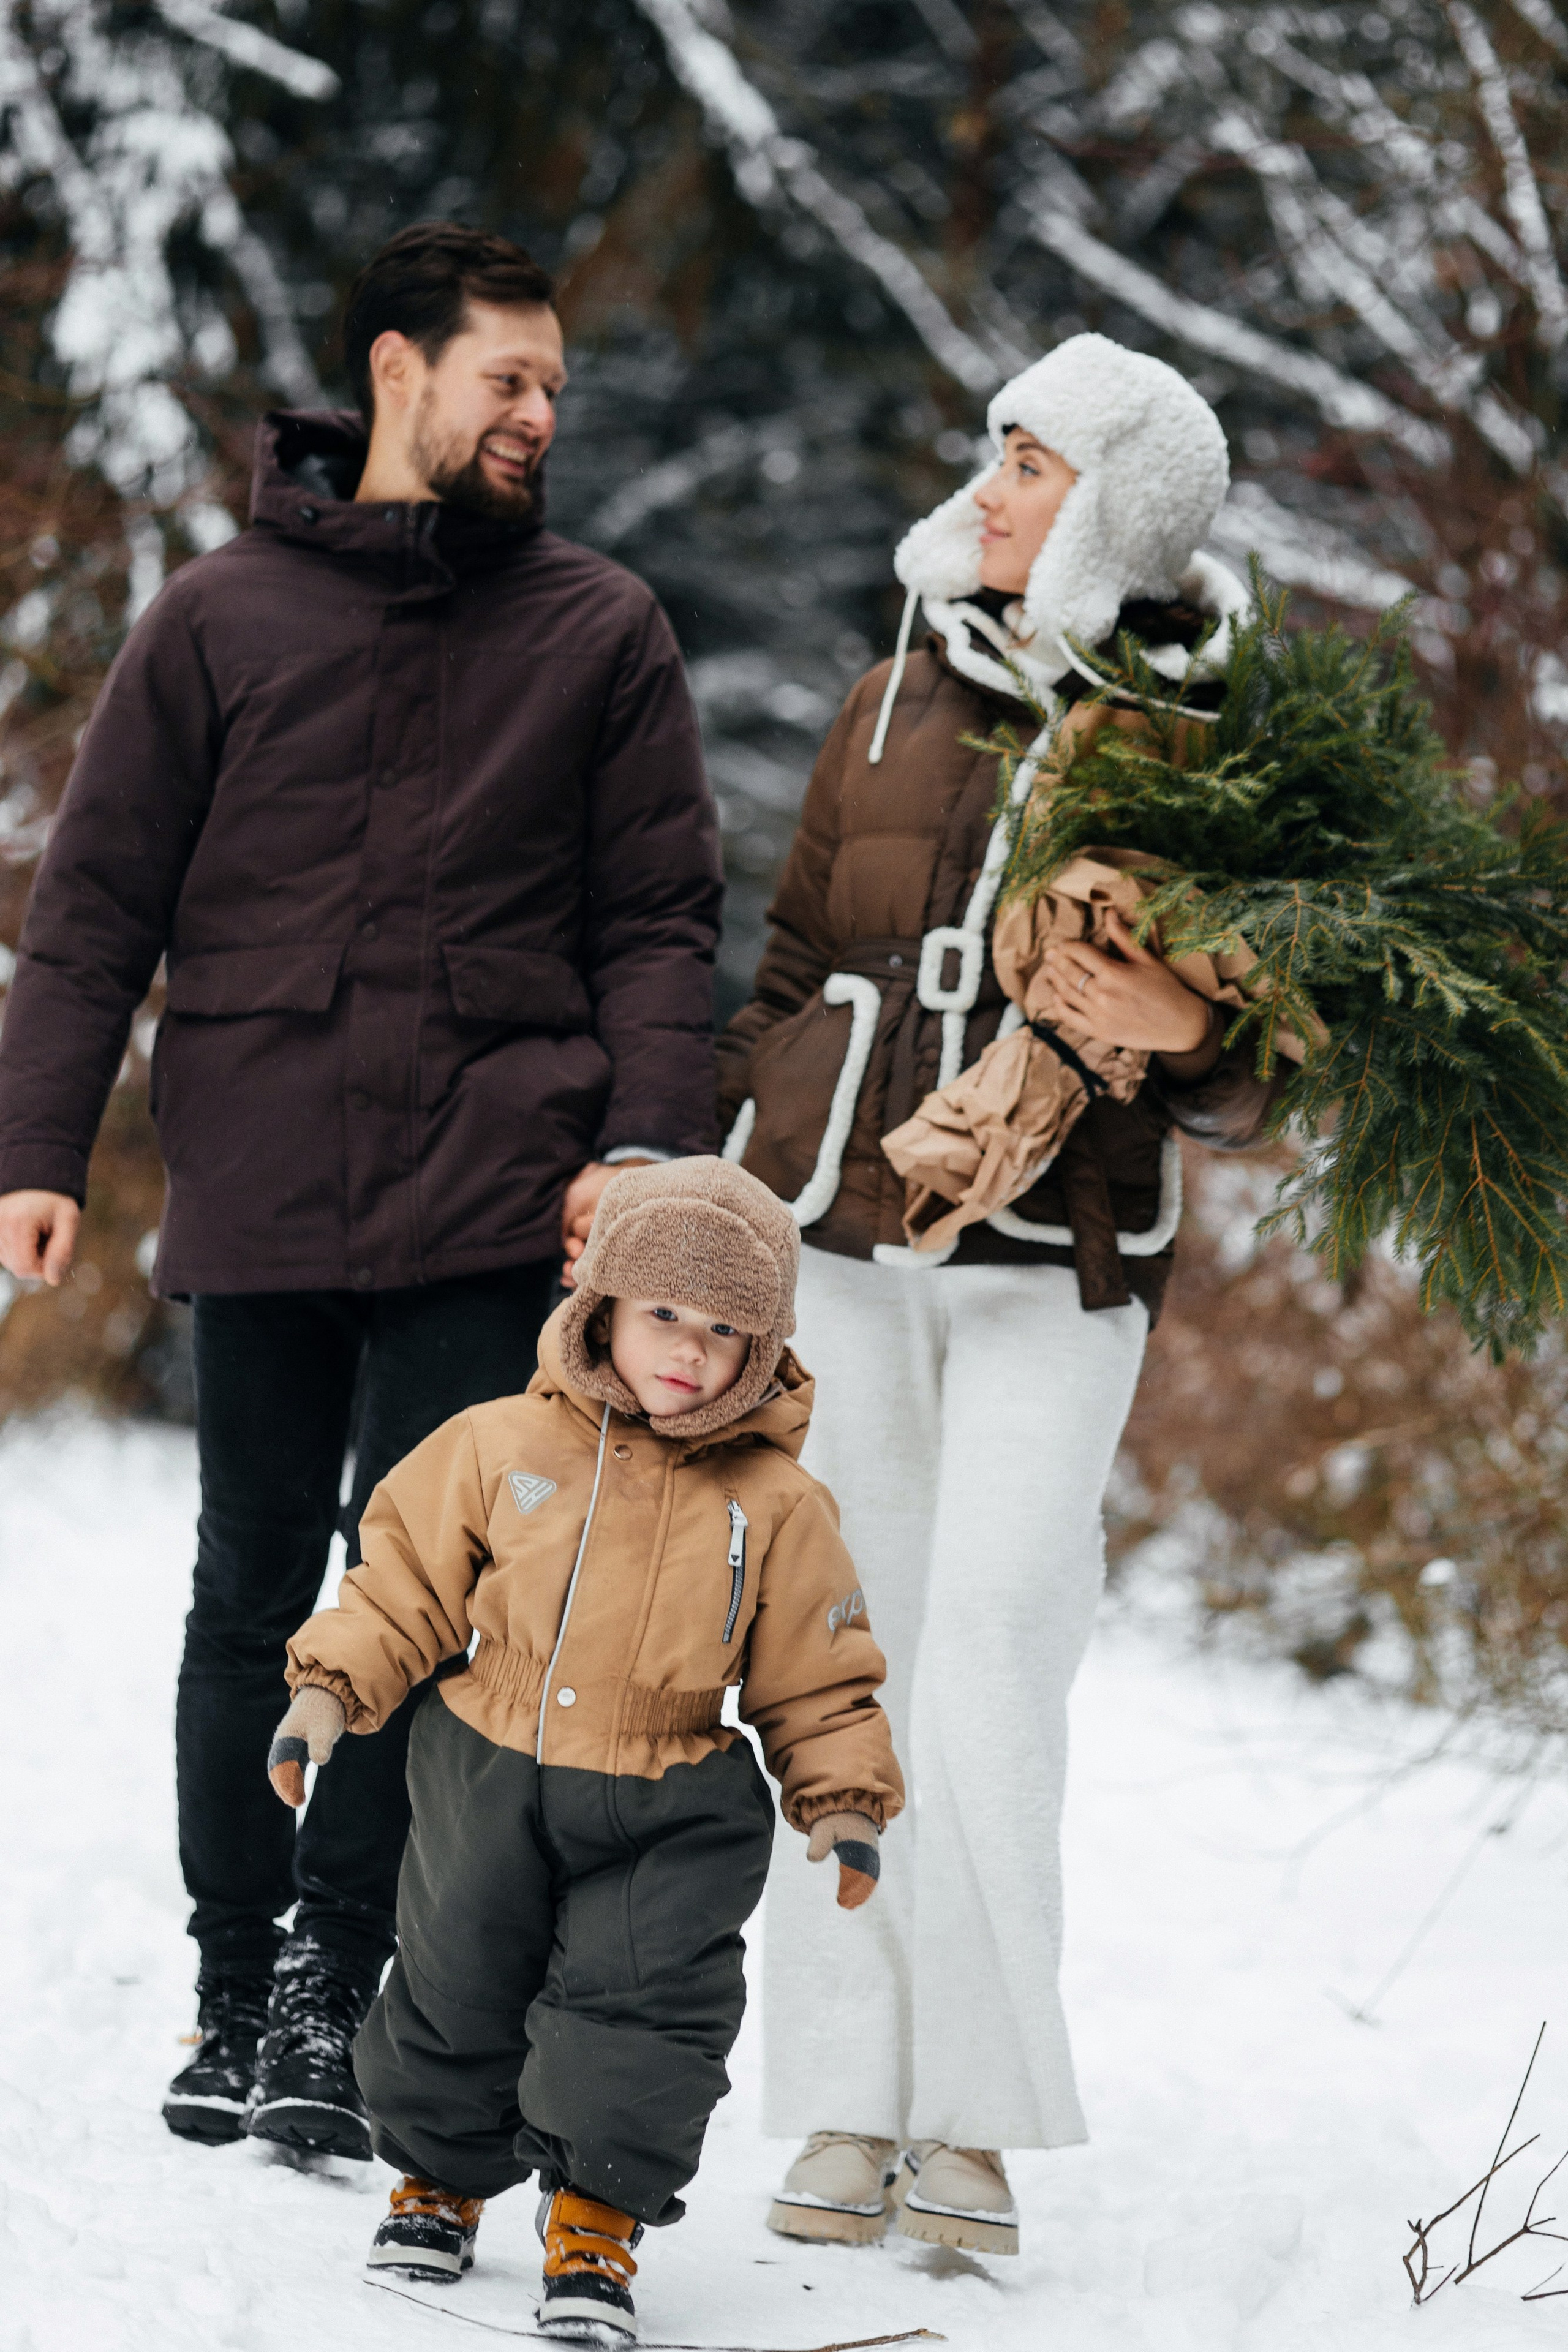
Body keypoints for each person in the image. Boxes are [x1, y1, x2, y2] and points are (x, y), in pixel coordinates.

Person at [0, 222, 723, 2159]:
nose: (541, 414)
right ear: (399, 372)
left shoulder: (599, 629)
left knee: (420, 1600)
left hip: (497, 1193)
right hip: (264, 1171)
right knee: (251, 1588)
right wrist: (35, 1151)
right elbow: (94, 909)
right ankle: (234, 1982)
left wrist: (639, 1151)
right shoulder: (218, 619)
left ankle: (341, 1984)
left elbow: (660, 921)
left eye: (557, 386)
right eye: (511, 379)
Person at [715, 335, 1283, 2256]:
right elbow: (787, 961)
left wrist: (1189, 1030)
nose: (991, 489)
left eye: (1032, 462)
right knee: (843, 1664)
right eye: (995, 452)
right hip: (846, 1247)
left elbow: (1273, 1063)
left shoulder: (1209, 736)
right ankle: (842, 2100)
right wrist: (750, 1155)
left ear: (1119, 503)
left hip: (1064, 1263)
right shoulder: (887, 698)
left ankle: (971, 2120)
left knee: (993, 1668)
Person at [264, 1157, 902, 2346]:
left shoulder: (774, 1502)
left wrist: (845, 1799)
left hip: (672, 1797)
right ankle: (437, 2181)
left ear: (763, 1346)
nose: (690, 1350)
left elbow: (818, 1671)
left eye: (725, 1329)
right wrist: (326, 1692)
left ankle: (595, 2220)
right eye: (664, 1313)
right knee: (454, 1985)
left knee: (643, 2015)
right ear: (601, 1303)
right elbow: (398, 1587)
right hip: (486, 1766)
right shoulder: (496, 1444)